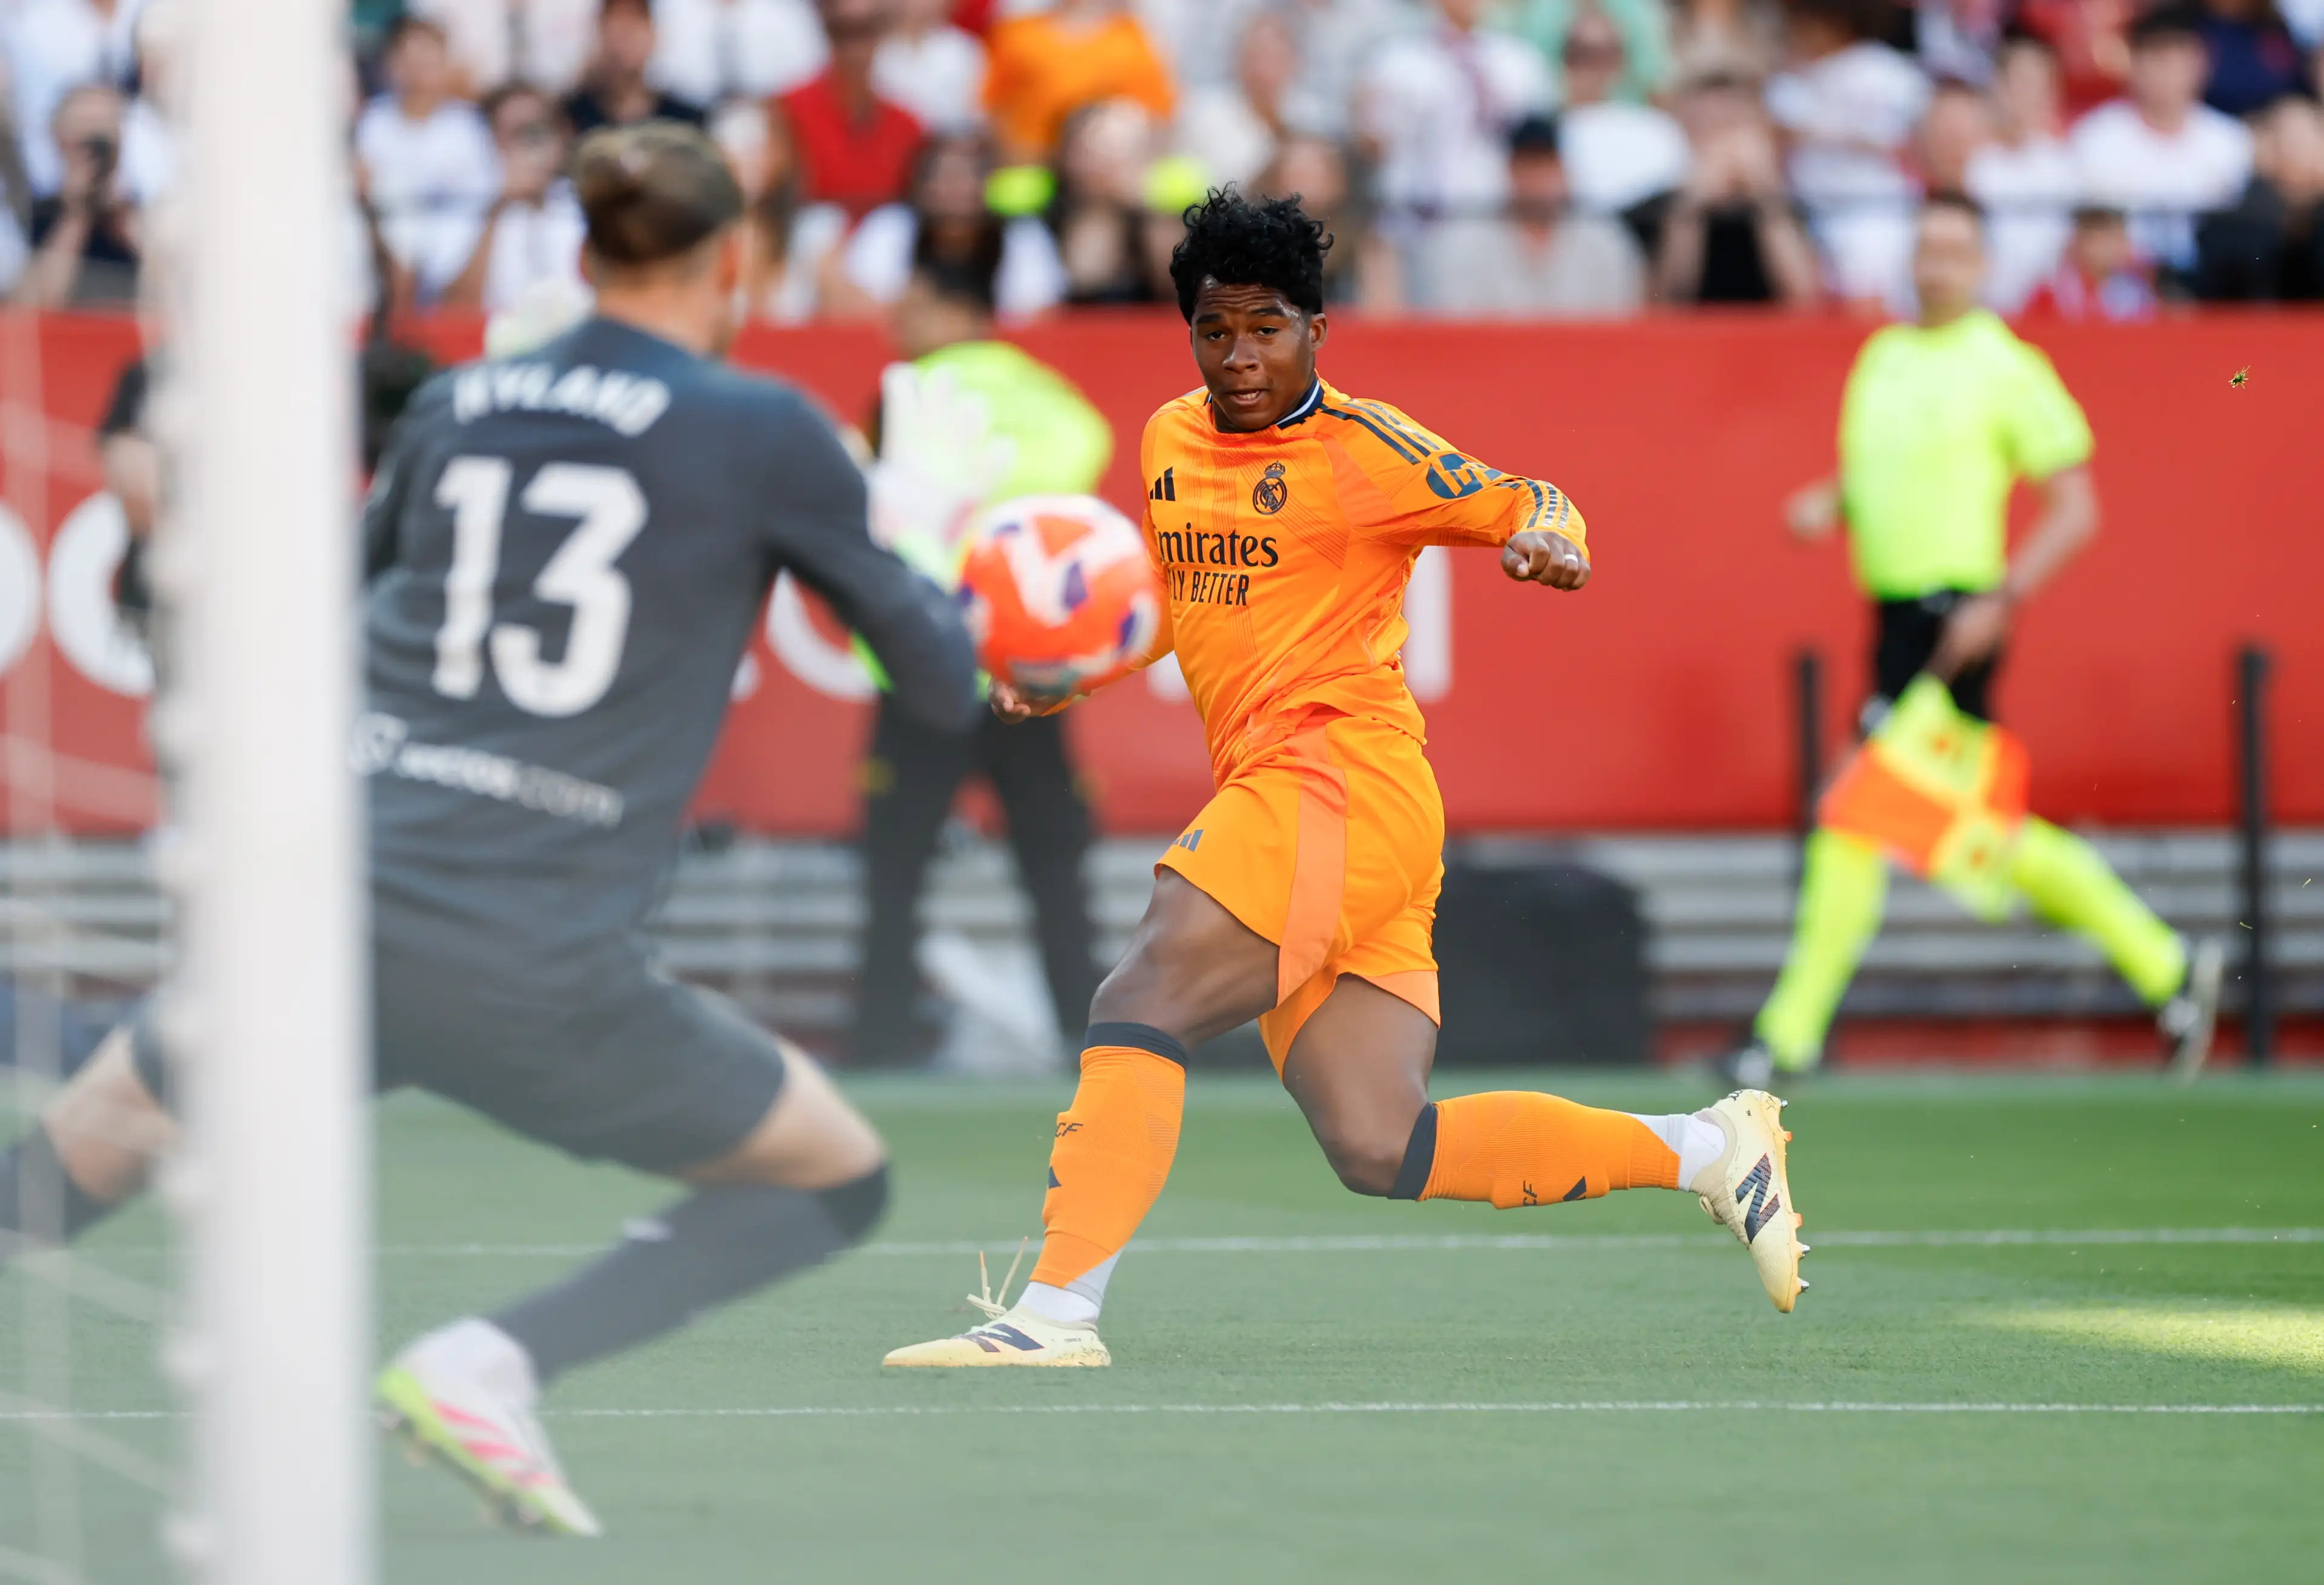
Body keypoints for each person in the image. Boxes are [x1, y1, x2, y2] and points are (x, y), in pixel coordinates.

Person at [0, 122, 980, 1534]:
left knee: (100, 1125)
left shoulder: (464, 404)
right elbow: (939, 683)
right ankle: (493, 1361)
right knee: (837, 1175)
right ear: (737, 262)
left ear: (580, 254)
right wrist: (958, 581)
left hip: (327, 915)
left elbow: (340, 613)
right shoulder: (764, 430)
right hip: (534, 961)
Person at [884, 189, 1809, 1370]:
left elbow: (1531, 496)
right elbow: (1186, 598)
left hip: (1335, 780)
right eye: (1215, 331)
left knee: (1143, 992)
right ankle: (1712, 1148)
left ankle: (1056, 1314)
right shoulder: (1173, 440)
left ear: (1318, 327)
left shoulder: (1367, 450)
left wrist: (1549, 542)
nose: (1241, 356)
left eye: (1267, 326)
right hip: (1332, 811)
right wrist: (1080, 670)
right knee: (1382, 1143)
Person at [1724, 192, 2221, 1089]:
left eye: (1955, 250)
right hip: (1895, 619)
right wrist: (1829, 501)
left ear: (1983, 264)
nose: (1936, 264)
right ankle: (2168, 965)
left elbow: (2076, 506)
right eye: (1926, 247)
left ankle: (1785, 1036)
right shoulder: (1884, 355)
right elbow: (1890, 471)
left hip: (1956, 620)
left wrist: (2001, 598)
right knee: (1970, 830)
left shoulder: (2005, 364)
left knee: (1852, 810)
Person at [852, 227, 1112, 1067]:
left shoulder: (906, 395)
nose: (898, 317)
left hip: (924, 659)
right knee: (1053, 863)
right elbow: (1081, 467)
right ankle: (1089, 1033)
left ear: (958, 311)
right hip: (1026, 658)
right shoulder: (1056, 401)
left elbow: (862, 503)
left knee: (895, 867)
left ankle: (881, 1040)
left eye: (915, 303)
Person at [2069, 6, 2253, 275]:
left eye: (2178, 58)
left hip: (2213, 289)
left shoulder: (2231, 141)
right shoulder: (2096, 139)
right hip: (2124, 287)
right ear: (2133, 63)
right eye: (2157, 58)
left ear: (2201, 62)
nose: (2168, 72)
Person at [1413, 113, 1647, 316]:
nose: (1537, 180)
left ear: (1565, 170)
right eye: (1526, 166)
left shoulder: (1604, 241)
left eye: (1546, 165)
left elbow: (1620, 331)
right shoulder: (1463, 242)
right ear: (1508, 170)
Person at [355, 14, 501, 301]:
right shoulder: (374, 121)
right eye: (409, 61)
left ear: (445, 64)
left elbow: (480, 191)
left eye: (427, 61)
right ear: (391, 66)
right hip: (390, 233)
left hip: (454, 229)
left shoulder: (466, 124)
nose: (418, 72)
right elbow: (372, 183)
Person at [1647, 70, 1823, 305]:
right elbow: (1664, 303)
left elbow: (1805, 301)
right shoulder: (1656, 210)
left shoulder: (1792, 208)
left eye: (1732, 125)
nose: (1724, 143)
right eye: (1709, 127)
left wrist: (1767, 196)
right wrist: (1690, 209)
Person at [441, 84, 589, 313]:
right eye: (515, 133)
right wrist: (498, 208)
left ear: (561, 137)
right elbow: (455, 308)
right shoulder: (464, 204)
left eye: (537, 131)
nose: (529, 145)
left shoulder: (585, 203)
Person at [774, 0, 925, 220]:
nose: (855, 49)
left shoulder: (908, 125)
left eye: (866, 31)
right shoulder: (788, 110)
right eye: (842, 32)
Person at [980, 0, 1176, 165]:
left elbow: (1157, 117)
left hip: (1104, 170)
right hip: (1031, 167)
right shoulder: (1016, 34)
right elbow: (993, 108)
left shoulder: (1132, 38)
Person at [13, 82, 139, 306]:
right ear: (59, 140)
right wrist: (76, 214)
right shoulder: (31, 213)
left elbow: (170, 285)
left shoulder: (136, 212)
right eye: (84, 132)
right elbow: (37, 304)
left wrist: (122, 219)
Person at [563, 0, 709, 137]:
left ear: (653, 34)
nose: (626, 37)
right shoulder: (570, 117)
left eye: (635, 24)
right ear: (600, 32)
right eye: (617, 25)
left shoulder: (685, 121)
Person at [2024, 201, 2158, 314]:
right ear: (2079, 242)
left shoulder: (2135, 292)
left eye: (2118, 239)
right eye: (2103, 240)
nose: (2112, 249)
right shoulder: (2051, 293)